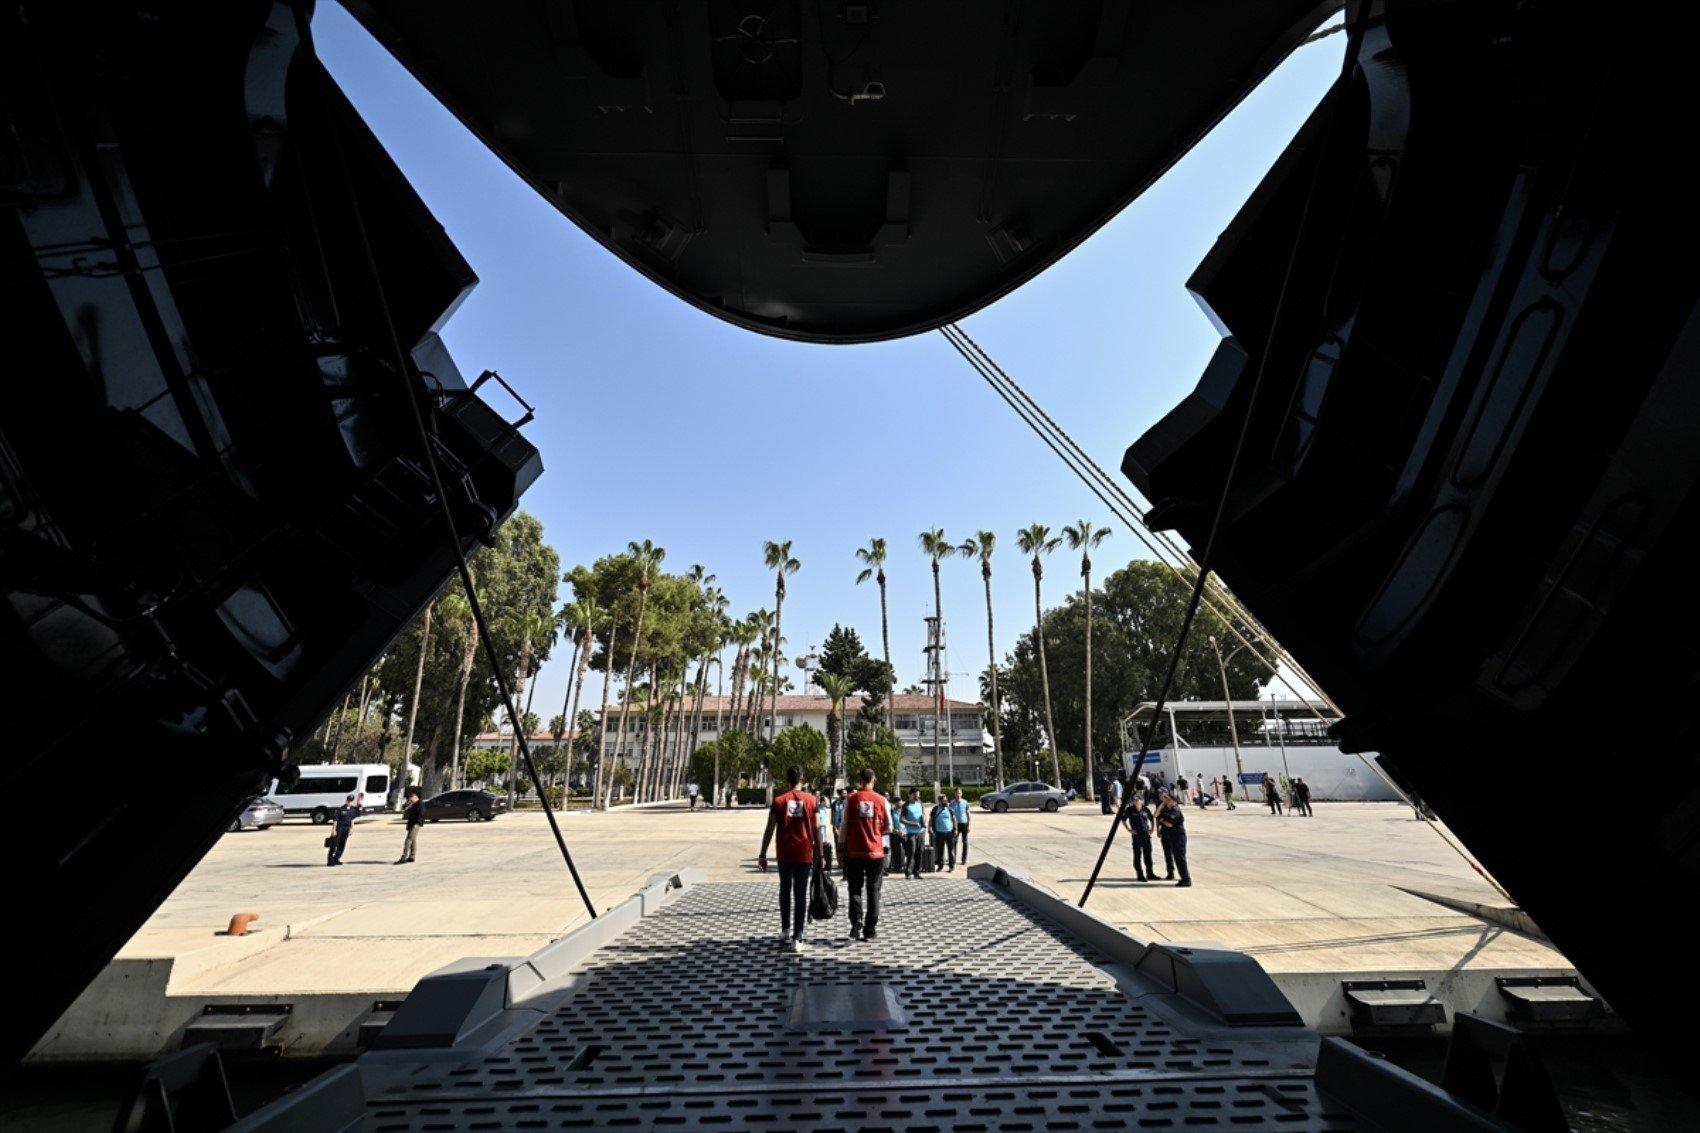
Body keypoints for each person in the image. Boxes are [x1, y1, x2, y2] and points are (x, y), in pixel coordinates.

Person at [757, 764, 820, 951]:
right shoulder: (812, 800)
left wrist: (762, 853)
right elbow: (817, 828)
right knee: (800, 894)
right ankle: (798, 937)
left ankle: (785, 928)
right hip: (803, 852)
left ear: (787, 779)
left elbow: (770, 829)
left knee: (785, 889)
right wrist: (820, 854)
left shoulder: (779, 801)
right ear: (802, 778)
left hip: (784, 853)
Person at [842, 768, 889, 941]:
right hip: (876, 853)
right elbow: (889, 827)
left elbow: (844, 826)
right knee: (874, 890)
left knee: (854, 888)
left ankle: (856, 919)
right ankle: (870, 930)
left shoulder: (851, 799)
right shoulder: (881, 800)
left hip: (854, 852)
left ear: (860, 780)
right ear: (874, 780)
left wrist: (841, 848)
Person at [1155, 791, 1192, 887]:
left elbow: (1169, 824)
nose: (1166, 800)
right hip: (1172, 836)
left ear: (1173, 801)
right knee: (1177, 858)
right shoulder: (1166, 809)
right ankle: (1183, 878)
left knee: (1180, 858)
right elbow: (1156, 815)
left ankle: (1186, 879)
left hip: (1178, 837)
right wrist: (1162, 804)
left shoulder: (1175, 810)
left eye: (1168, 799)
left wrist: (1162, 820)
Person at [1124, 793, 1155, 882]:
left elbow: (1152, 819)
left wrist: (1152, 829)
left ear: (1142, 801)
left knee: (1148, 854)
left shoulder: (1145, 809)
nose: (1136, 801)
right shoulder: (1130, 810)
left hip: (1146, 834)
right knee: (1137, 855)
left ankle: (1150, 873)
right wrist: (1129, 830)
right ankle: (1140, 874)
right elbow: (1123, 819)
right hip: (1136, 835)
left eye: (1138, 800)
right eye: (1134, 800)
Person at [898, 789, 927, 878]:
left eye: (918, 795)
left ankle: (917, 872)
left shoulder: (920, 803)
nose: (917, 797)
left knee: (919, 851)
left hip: (921, 832)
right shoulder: (906, 806)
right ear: (910, 795)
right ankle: (908, 872)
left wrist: (924, 820)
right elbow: (901, 819)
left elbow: (923, 813)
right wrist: (913, 824)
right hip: (911, 833)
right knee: (911, 852)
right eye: (915, 795)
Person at [327, 793, 358, 866]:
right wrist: (334, 830)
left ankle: (337, 858)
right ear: (346, 800)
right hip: (339, 827)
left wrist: (351, 829)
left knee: (342, 844)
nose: (349, 802)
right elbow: (335, 820)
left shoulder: (353, 809)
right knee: (335, 844)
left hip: (346, 828)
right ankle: (330, 861)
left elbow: (352, 820)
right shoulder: (341, 809)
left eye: (350, 801)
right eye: (348, 800)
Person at [928, 794, 956, 871]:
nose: (946, 802)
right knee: (940, 850)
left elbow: (954, 819)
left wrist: (955, 829)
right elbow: (931, 819)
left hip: (949, 833)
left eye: (946, 800)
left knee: (951, 850)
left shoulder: (950, 809)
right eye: (944, 800)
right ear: (940, 801)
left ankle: (951, 866)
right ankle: (940, 865)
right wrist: (929, 828)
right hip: (939, 833)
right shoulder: (935, 809)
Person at [1154, 790, 1178, 880]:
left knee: (1176, 853)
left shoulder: (1172, 804)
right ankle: (1170, 872)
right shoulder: (1159, 805)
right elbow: (1156, 816)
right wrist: (1157, 830)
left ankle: (1181, 871)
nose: (1161, 796)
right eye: (1159, 794)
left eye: (1163, 795)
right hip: (1164, 831)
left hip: (1173, 832)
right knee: (1167, 853)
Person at [394, 791, 423, 864]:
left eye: (411, 799)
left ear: (415, 797)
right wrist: (408, 826)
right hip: (412, 825)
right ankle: (412, 856)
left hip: (416, 825)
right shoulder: (415, 804)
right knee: (413, 840)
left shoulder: (420, 804)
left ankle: (404, 857)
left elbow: (421, 815)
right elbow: (411, 817)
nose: (410, 801)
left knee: (408, 840)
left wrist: (417, 824)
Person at [949, 788, 972, 867]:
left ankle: (964, 859)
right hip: (956, 825)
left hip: (964, 823)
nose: (958, 795)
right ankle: (953, 859)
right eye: (956, 793)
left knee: (965, 842)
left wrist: (969, 825)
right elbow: (950, 815)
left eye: (959, 793)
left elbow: (968, 814)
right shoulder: (952, 803)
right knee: (954, 842)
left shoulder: (965, 802)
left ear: (961, 794)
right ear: (954, 794)